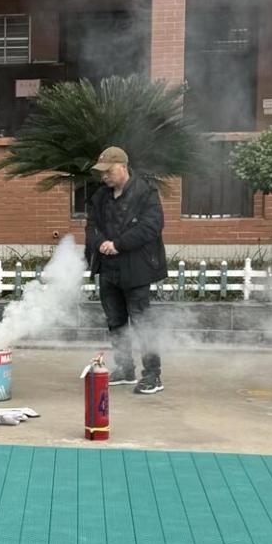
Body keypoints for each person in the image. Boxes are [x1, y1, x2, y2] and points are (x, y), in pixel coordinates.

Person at [84, 146, 168, 395]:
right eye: (101, 172)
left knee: (142, 323)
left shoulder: (145, 193)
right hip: (108, 269)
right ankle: (125, 368)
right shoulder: (101, 196)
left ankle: (152, 375)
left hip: (136, 268)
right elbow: (91, 226)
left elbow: (151, 226)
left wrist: (118, 244)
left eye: (108, 171)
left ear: (122, 167)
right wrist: (100, 242)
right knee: (115, 322)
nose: (104, 176)